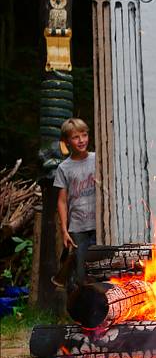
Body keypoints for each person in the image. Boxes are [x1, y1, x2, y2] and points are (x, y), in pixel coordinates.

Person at [53, 118, 97, 290]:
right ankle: (79, 306)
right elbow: (62, 201)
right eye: (75, 137)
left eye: (84, 135)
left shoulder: (98, 159)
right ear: (67, 141)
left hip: (100, 225)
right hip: (78, 228)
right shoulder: (64, 168)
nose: (81, 140)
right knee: (80, 275)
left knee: (102, 271)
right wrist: (65, 230)